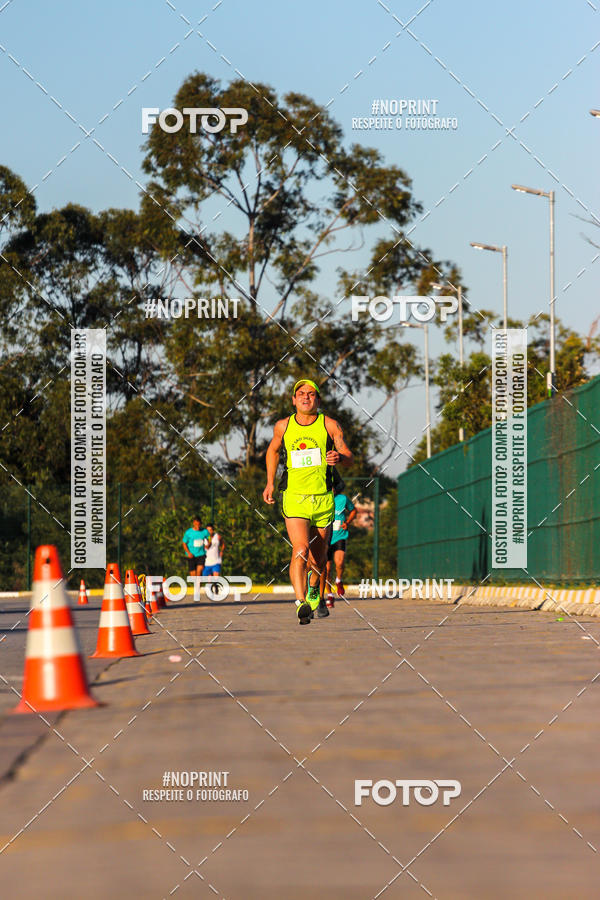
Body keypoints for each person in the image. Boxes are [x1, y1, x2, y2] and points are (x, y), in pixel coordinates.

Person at [263, 378, 353, 625]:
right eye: (301, 394)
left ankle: (315, 588)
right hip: (294, 498)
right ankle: (301, 602)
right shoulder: (284, 426)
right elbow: (272, 450)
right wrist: (270, 482)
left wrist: (339, 457)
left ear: (318, 400)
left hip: (323, 499)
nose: (306, 397)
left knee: (319, 559)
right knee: (300, 549)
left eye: (311, 394)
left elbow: (349, 456)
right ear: (294, 400)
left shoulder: (330, 425)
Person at [321, 488, 357, 607]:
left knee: (340, 563)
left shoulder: (343, 499)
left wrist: (347, 523)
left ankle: (339, 580)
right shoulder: (321, 498)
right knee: (326, 569)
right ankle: (330, 595)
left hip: (339, 536)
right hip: (325, 538)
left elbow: (353, 511)